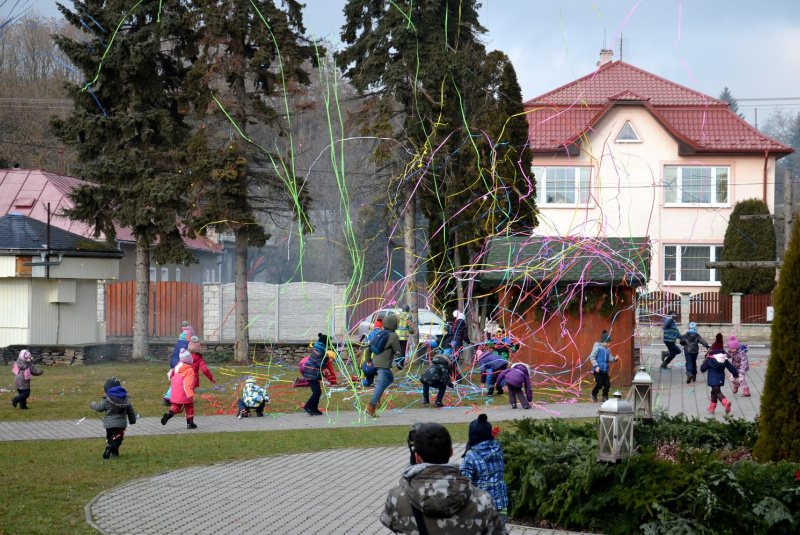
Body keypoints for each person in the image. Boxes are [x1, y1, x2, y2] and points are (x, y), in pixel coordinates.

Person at [381, 422, 503, 535]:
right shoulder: (482, 500)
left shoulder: (397, 498)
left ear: (417, 457)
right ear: (451, 452)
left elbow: (388, 521)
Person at [461, 414, 509, 535]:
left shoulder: (470, 458)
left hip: (481, 507)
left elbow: (464, 485)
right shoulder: (498, 450)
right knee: (500, 530)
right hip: (501, 505)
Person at [364, 313, 401, 417]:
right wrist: (398, 354)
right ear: (395, 324)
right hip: (384, 364)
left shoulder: (380, 333)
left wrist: (368, 359)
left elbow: (369, 345)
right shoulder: (393, 336)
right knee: (380, 383)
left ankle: (378, 395)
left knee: (390, 378)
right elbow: (398, 351)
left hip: (376, 361)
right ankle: (371, 405)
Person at [89, 377, 137, 459]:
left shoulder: (107, 400)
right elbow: (131, 410)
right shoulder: (125, 399)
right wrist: (132, 420)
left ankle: (113, 451)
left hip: (109, 425)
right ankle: (112, 450)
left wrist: (92, 404)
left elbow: (99, 407)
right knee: (118, 439)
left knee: (111, 438)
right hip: (121, 425)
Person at [700, 333, 738, 414]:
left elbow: (702, 369)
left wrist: (704, 363)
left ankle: (725, 402)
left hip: (712, 379)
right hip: (720, 379)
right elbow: (731, 367)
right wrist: (735, 375)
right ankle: (712, 408)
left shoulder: (710, 359)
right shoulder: (724, 359)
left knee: (717, 392)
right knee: (714, 392)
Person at [161, 349, 198, 429]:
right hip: (185, 392)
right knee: (189, 407)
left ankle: (170, 413)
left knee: (176, 406)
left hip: (175, 391)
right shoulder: (189, 370)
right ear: (189, 360)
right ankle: (190, 423)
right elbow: (188, 383)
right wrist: (190, 394)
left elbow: (171, 375)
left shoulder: (178, 367)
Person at [301, 333, 330, 416]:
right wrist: (326, 360)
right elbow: (319, 364)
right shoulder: (320, 351)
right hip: (311, 373)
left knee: (317, 391)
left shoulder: (318, 348)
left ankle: (314, 408)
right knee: (316, 392)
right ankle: (307, 407)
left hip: (311, 372)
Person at [589, 330, 618, 403]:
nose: (608, 344)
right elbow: (592, 357)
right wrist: (596, 366)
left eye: (609, 343)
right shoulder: (597, 348)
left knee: (607, 384)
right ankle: (593, 394)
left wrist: (614, 359)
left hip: (605, 370)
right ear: (603, 341)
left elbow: (609, 358)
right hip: (598, 370)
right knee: (599, 383)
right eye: (607, 342)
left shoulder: (607, 349)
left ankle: (605, 396)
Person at [164, 333, 191, 406]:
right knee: (179, 382)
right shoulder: (187, 344)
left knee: (175, 381)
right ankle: (169, 397)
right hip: (180, 365)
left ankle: (170, 397)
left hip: (174, 364)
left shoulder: (178, 343)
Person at [396, 305, 416, 370]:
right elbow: (410, 325)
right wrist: (412, 331)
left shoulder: (398, 316)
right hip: (404, 336)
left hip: (397, 335)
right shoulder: (408, 316)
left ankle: (397, 360)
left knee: (398, 349)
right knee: (403, 349)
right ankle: (400, 363)